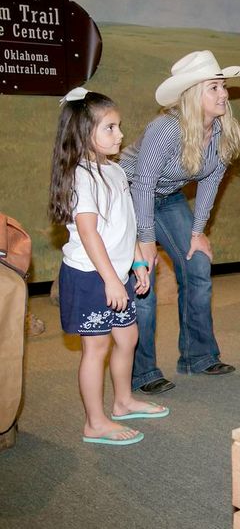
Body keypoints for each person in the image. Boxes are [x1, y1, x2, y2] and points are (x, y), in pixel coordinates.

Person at [119, 51, 240, 394]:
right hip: (129, 197)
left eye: (223, 86)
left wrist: (197, 233)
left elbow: (211, 181)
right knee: (141, 279)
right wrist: (145, 242)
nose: (223, 94)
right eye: (213, 88)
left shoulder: (221, 129)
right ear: (193, 94)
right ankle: (142, 371)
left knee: (198, 264)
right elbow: (143, 183)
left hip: (168, 199)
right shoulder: (164, 129)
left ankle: (198, 355)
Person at [48, 87, 167, 445]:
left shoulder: (113, 171)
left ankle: (123, 400)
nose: (120, 135)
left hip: (117, 274)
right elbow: (89, 234)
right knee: (95, 349)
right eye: (110, 128)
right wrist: (111, 281)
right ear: (85, 134)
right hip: (90, 277)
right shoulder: (82, 176)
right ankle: (94, 422)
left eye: (119, 127)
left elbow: (125, 224)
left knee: (128, 337)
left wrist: (136, 263)